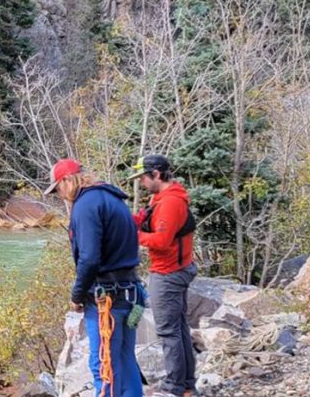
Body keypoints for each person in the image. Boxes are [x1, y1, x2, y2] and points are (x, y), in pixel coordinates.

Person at [45, 158, 144, 397]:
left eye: (58, 188)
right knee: (124, 358)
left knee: (104, 365)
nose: (60, 195)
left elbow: (89, 259)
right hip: (131, 293)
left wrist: (77, 296)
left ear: (68, 181)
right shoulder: (113, 199)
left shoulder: (86, 205)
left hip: (106, 300)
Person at [128, 155, 197, 397]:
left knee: (169, 331)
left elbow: (162, 241)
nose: (142, 183)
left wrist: (132, 235)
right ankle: (187, 384)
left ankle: (174, 386)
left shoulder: (169, 203)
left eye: (144, 178)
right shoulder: (162, 199)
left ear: (156, 174)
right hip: (176, 269)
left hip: (168, 273)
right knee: (178, 328)